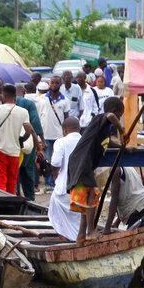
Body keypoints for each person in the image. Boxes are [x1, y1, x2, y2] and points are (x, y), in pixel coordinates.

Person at [67, 96, 124, 245]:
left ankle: (81, 236)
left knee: (86, 198)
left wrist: (123, 147)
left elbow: (108, 142)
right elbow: (110, 116)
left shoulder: (103, 129)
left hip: (80, 163)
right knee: (92, 193)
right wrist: (121, 130)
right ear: (114, 111)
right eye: (120, 115)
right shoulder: (100, 118)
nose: (119, 118)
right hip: (81, 162)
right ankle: (91, 231)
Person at [0, 84, 35, 195]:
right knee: (12, 181)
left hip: (0, 150)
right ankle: (11, 205)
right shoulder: (23, 111)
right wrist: (22, 140)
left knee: (1, 179)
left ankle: (3, 204)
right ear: (15, 96)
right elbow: (29, 131)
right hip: (15, 152)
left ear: (4, 96)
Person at [48, 117, 83, 241]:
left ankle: (64, 240)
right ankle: (78, 239)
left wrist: (55, 176)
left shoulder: (61, 142)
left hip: (64, 189)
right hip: (82, 190)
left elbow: (56, 163)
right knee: (79, 218)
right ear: (78, 129)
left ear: (64, 130)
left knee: (56, 215)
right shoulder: (85, 141)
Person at [37, 77, 69, 189]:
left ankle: (56, 181)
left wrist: (66, 133)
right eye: (52, 82)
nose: (54, 84)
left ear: (61, 84)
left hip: (59, 135)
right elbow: (38, 116)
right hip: (45, 134)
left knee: (57, 159)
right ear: (49, 84)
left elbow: (66, 118)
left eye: (57, 82)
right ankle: (48, 181)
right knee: (46, 159)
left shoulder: (65, 100)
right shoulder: (42, 99)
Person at [15, 85, 45, 200]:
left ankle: (15, 196)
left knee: (14, 172)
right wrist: (41, 141)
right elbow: (35, 124)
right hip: (27, 143)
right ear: (24, 92)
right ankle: (29, 198)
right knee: (27, 171)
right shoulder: (28, 104)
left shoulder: (3, 103)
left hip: (11, 144)